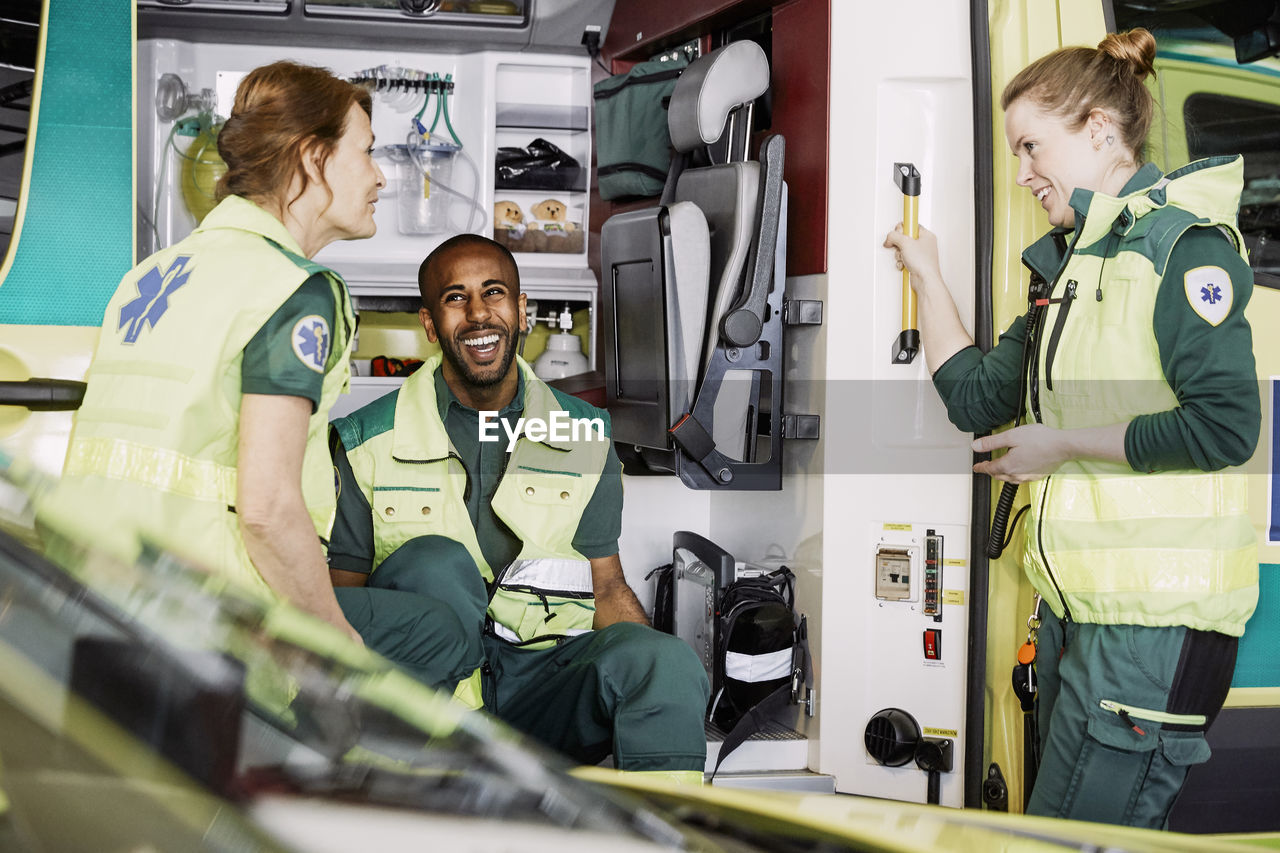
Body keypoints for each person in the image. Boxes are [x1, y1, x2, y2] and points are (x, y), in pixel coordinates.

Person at [884, 29, 1259, 827]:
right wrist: (926, 273)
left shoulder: (1182, 251)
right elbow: (976, 400)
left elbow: (1226, 427)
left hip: (1153, 631)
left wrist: (1060, 445)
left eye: (1030, 147)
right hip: (1079, 616)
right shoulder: (1069, 266)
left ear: (1097, 129)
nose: (1021, 174)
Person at [327, 234, 710, 778]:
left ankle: (667, 834)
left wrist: (652, 681)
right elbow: (345, 606)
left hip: (542, 681)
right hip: (428, 709)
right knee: (433, 561)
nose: (479, 313)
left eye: (495, 293)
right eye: (456, 298)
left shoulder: (584, 433)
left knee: (664, 661)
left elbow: (605, 587)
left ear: (522, 310)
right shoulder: (365, 441)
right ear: (431, 325)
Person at [60, 61, 385, 643]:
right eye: (365, 151)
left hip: (87, 584)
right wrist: (333, 636)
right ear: (313, 157)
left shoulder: (151, 274)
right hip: (203, 611)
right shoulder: (291, 291)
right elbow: (265, 508)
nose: (379, 176)